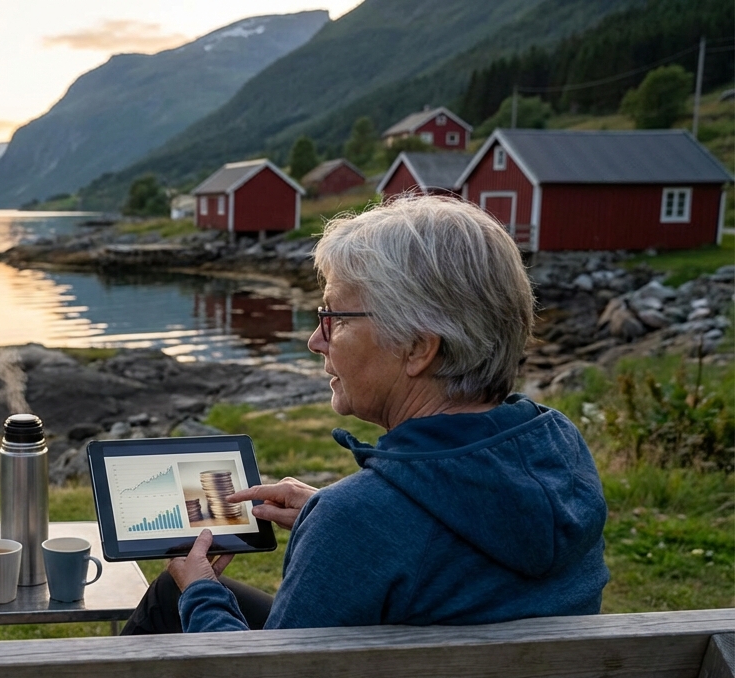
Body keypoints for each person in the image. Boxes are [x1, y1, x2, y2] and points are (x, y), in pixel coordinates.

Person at [121, 194, 609, 635]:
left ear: (418, 348)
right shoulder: (560, 455)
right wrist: (328, 512)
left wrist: (201, 590)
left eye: (332, 318)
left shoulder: (354, 523)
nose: (315, 341)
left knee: (176, 593)